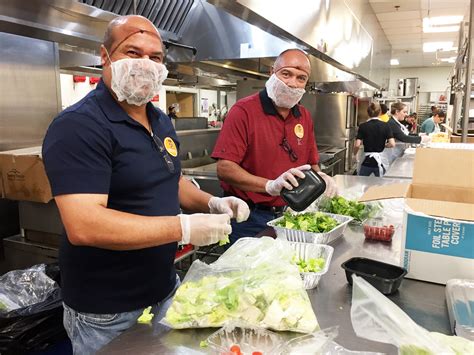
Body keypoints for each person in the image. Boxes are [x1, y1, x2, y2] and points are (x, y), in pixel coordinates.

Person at [42, 15, 250, 354]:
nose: (145, 64)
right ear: (105, 56)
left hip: (164, 288)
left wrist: (211, 203)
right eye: (132, 52)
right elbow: (84, 224)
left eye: (155, 57)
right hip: (107, 309)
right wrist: (182, 227)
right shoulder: (80, 125)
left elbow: (172, 179)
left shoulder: (159, 119)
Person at [211, 48, 337, 245]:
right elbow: (225, 168)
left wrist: (321, 178)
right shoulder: (244, 111)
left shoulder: (303, 116)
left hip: (289, 215)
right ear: (272, 72)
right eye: (286, 74)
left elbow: (312, 164)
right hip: (248, 218)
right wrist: (269, 186)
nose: (292, 83)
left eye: (301, 78)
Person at [354, 102, 395, 177]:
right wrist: (384, 145)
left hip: (367, 161)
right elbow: (392, 144)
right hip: (380, 160)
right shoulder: (386, 125)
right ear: (380, 112)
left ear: (368, 113)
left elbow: (357, 145)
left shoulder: (363, 126)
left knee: (361, 183)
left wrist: (354, 154)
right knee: (380, 185)